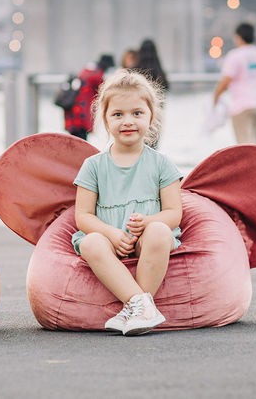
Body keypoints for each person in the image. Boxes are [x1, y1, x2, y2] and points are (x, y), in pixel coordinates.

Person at [72, 69, 182, 336]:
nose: (127, 121)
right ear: (105, 120)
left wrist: (149, 222)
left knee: (158, 231)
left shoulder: (161, 163)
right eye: (118, 115)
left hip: (147, 237)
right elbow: (83, 216)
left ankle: (138, 308)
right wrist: (110, 233)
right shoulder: (93, 166)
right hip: (110, 236)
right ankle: (141, 304)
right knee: (90, 241)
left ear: (151, 117)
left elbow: (173, 212)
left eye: (137, 113)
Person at [212, 22, 256, 145]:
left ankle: (252, 165)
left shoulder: (235, 56)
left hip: (241, 106)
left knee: (245, 146)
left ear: (238, 37)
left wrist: (215, 98)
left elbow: (226, 81)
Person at [63, 54, 114, 141]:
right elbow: (103, 91)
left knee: (75, 141)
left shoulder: (86, 71)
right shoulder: (97, 75)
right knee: (81, 141)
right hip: (82, 113)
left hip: (74, 114)